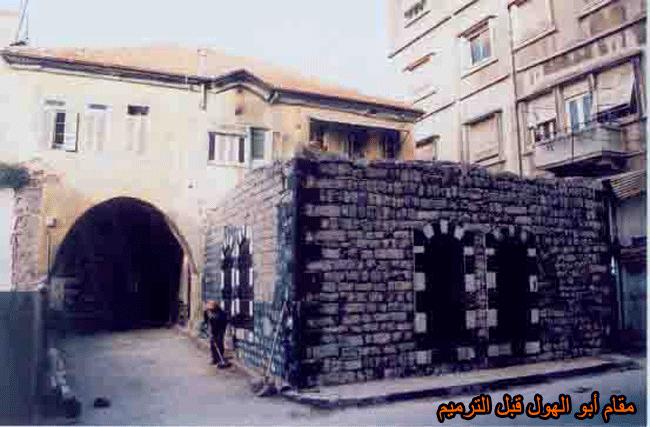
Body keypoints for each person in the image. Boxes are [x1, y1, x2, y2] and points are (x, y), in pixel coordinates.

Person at [203, 300, 229, 368]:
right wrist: (209, 330)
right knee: (212, 344)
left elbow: (223, 323)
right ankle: (214, 358)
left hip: (220, 328)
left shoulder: (221, 313)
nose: (210, 310)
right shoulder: (207, 312)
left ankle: (220, 358)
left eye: (212, 309)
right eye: (209, 309)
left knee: (219, 342)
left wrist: (220, 332)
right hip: (212, 328)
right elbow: (206, 321)